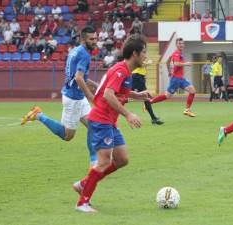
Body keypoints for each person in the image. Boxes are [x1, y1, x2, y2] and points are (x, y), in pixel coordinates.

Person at [74, 34, 149, 213]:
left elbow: (118, 91)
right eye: (144, 52)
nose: (146, 56)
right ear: (135, 54)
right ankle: (82, 202)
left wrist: (136, 95)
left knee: (122, 159)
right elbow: (108, 94)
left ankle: (84, 183)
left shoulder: (125, 71)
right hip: (101, 120)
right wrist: (128, 114)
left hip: (109, 122)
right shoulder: (121, 70)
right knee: (104, 162)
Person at [20, 27, 99, 165]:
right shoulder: (85, 55)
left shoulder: (75, 51)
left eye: (96, 38)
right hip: (73, 98)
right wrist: (91, 96)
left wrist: (95, 85)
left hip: (77, 96)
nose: (95, 41)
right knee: (67, 136)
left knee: (95, 126)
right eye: (91, 39)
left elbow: (78, 77)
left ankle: (94, 162)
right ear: (83, 39)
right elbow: (79, 79)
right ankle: (39, 115)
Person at [148, 37, 196, 117]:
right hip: (176, 79)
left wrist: (169, 71)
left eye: (182, 43)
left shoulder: (179, 53)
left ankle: (187, 110)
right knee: (167, 96)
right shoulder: (176, 53)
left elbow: (167, 61)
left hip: (180, 78)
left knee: (192, 91)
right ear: (176, 44)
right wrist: (186, 64)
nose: (181, 45)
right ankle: (149, 102)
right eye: (179, 43)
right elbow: (176, 63)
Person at [132, 61, 164, 125]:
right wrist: (147, 63)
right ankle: (153, 118)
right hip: (137, 77)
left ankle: (153, 118)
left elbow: (142, 66)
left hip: (140, 77)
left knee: (146, 97)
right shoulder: (138, 57)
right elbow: (139, 64)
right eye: (143, 51)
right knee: (127, 96)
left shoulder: (142, 58)